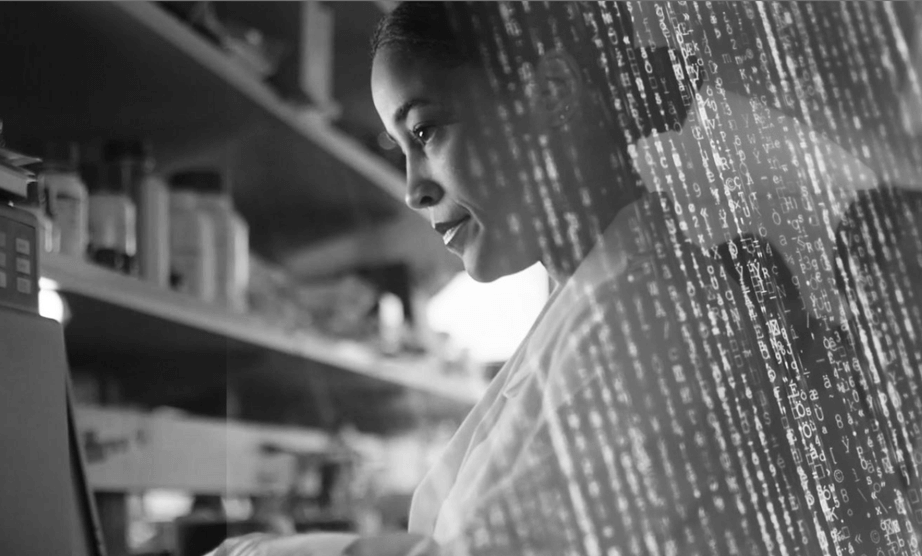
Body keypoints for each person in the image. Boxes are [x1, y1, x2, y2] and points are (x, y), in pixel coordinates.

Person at [214, 2, 921, 554]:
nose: (411, 189)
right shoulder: (588, 303)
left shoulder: (655, 312)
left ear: (550, 93)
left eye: (425, 132)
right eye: (398, 149)